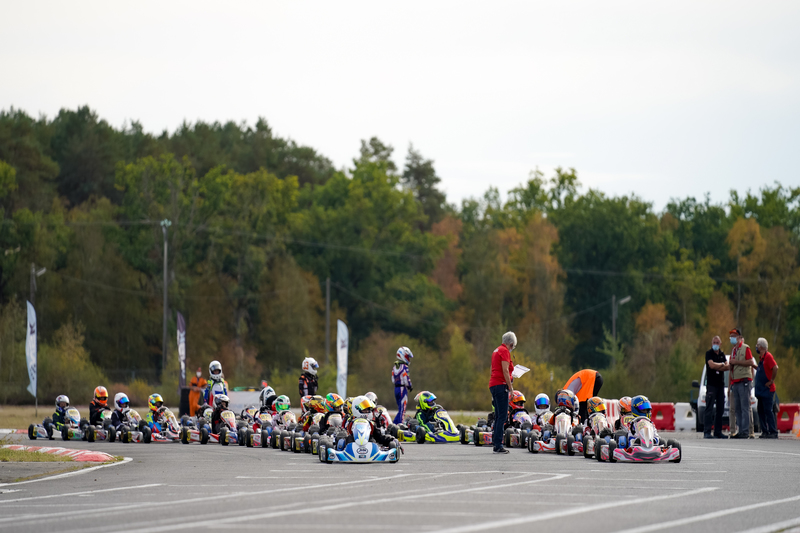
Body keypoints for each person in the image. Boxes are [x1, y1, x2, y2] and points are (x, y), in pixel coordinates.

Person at [489, 332, 517, 454]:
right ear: (511, 344)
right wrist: (510, 387)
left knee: (498, 415)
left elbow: (492, 369)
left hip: (494, 384)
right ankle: (498, 444)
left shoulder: (496, 351)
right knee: (502, 416)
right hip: (501, 385)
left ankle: (496, 442)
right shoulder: (504, 351)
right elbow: (505, 370)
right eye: (513, 347)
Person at [729, 328, 756, 439]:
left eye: (734, 336)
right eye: (731, 336)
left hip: (744, 381)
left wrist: (737, 362)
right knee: (738, 408)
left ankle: (746, 431)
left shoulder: (745, 348)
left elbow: (750, 362)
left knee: (745, 407)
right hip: (735, 382)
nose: (732, 338)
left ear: (740, 337)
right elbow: (731, 366)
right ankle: (741, 430)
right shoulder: (733, 350)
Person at [704, 336, 729, 439]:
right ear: (711, 343)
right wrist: (722, 365)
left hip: (720, 385)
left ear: (720, 344)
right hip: (711, 385)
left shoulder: (722, 355)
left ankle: (718, 432)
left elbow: (728, 367)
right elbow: (711, 365)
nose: (715, 344)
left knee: (720, 409)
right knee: (709, 409)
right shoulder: (708, 354)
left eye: (717, 342)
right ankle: (707, 432)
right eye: (714, 342)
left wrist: (720, 365)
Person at [754, 337, 779, 439]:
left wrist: (771, 380)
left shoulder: (768, 357)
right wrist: (753, 366)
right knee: (761, 410)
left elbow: (775, 367)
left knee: (768, 411)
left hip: (768, 389)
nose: (756, 347)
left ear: (761, 347)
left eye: (757, 345)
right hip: (761, 390)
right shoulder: (761, 359)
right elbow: (762, 370)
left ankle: (773, 431)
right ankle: (764, 431)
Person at [392, 347, 414, 424]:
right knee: (403, 409)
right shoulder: (405, 367)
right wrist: (410, 386)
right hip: (402, 389)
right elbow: (406, 378)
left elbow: (392, 379)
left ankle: (395, 423)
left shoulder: (395, 366)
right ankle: (400, 424)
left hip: (396, 389)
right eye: (408, 357)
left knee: (400, 408)